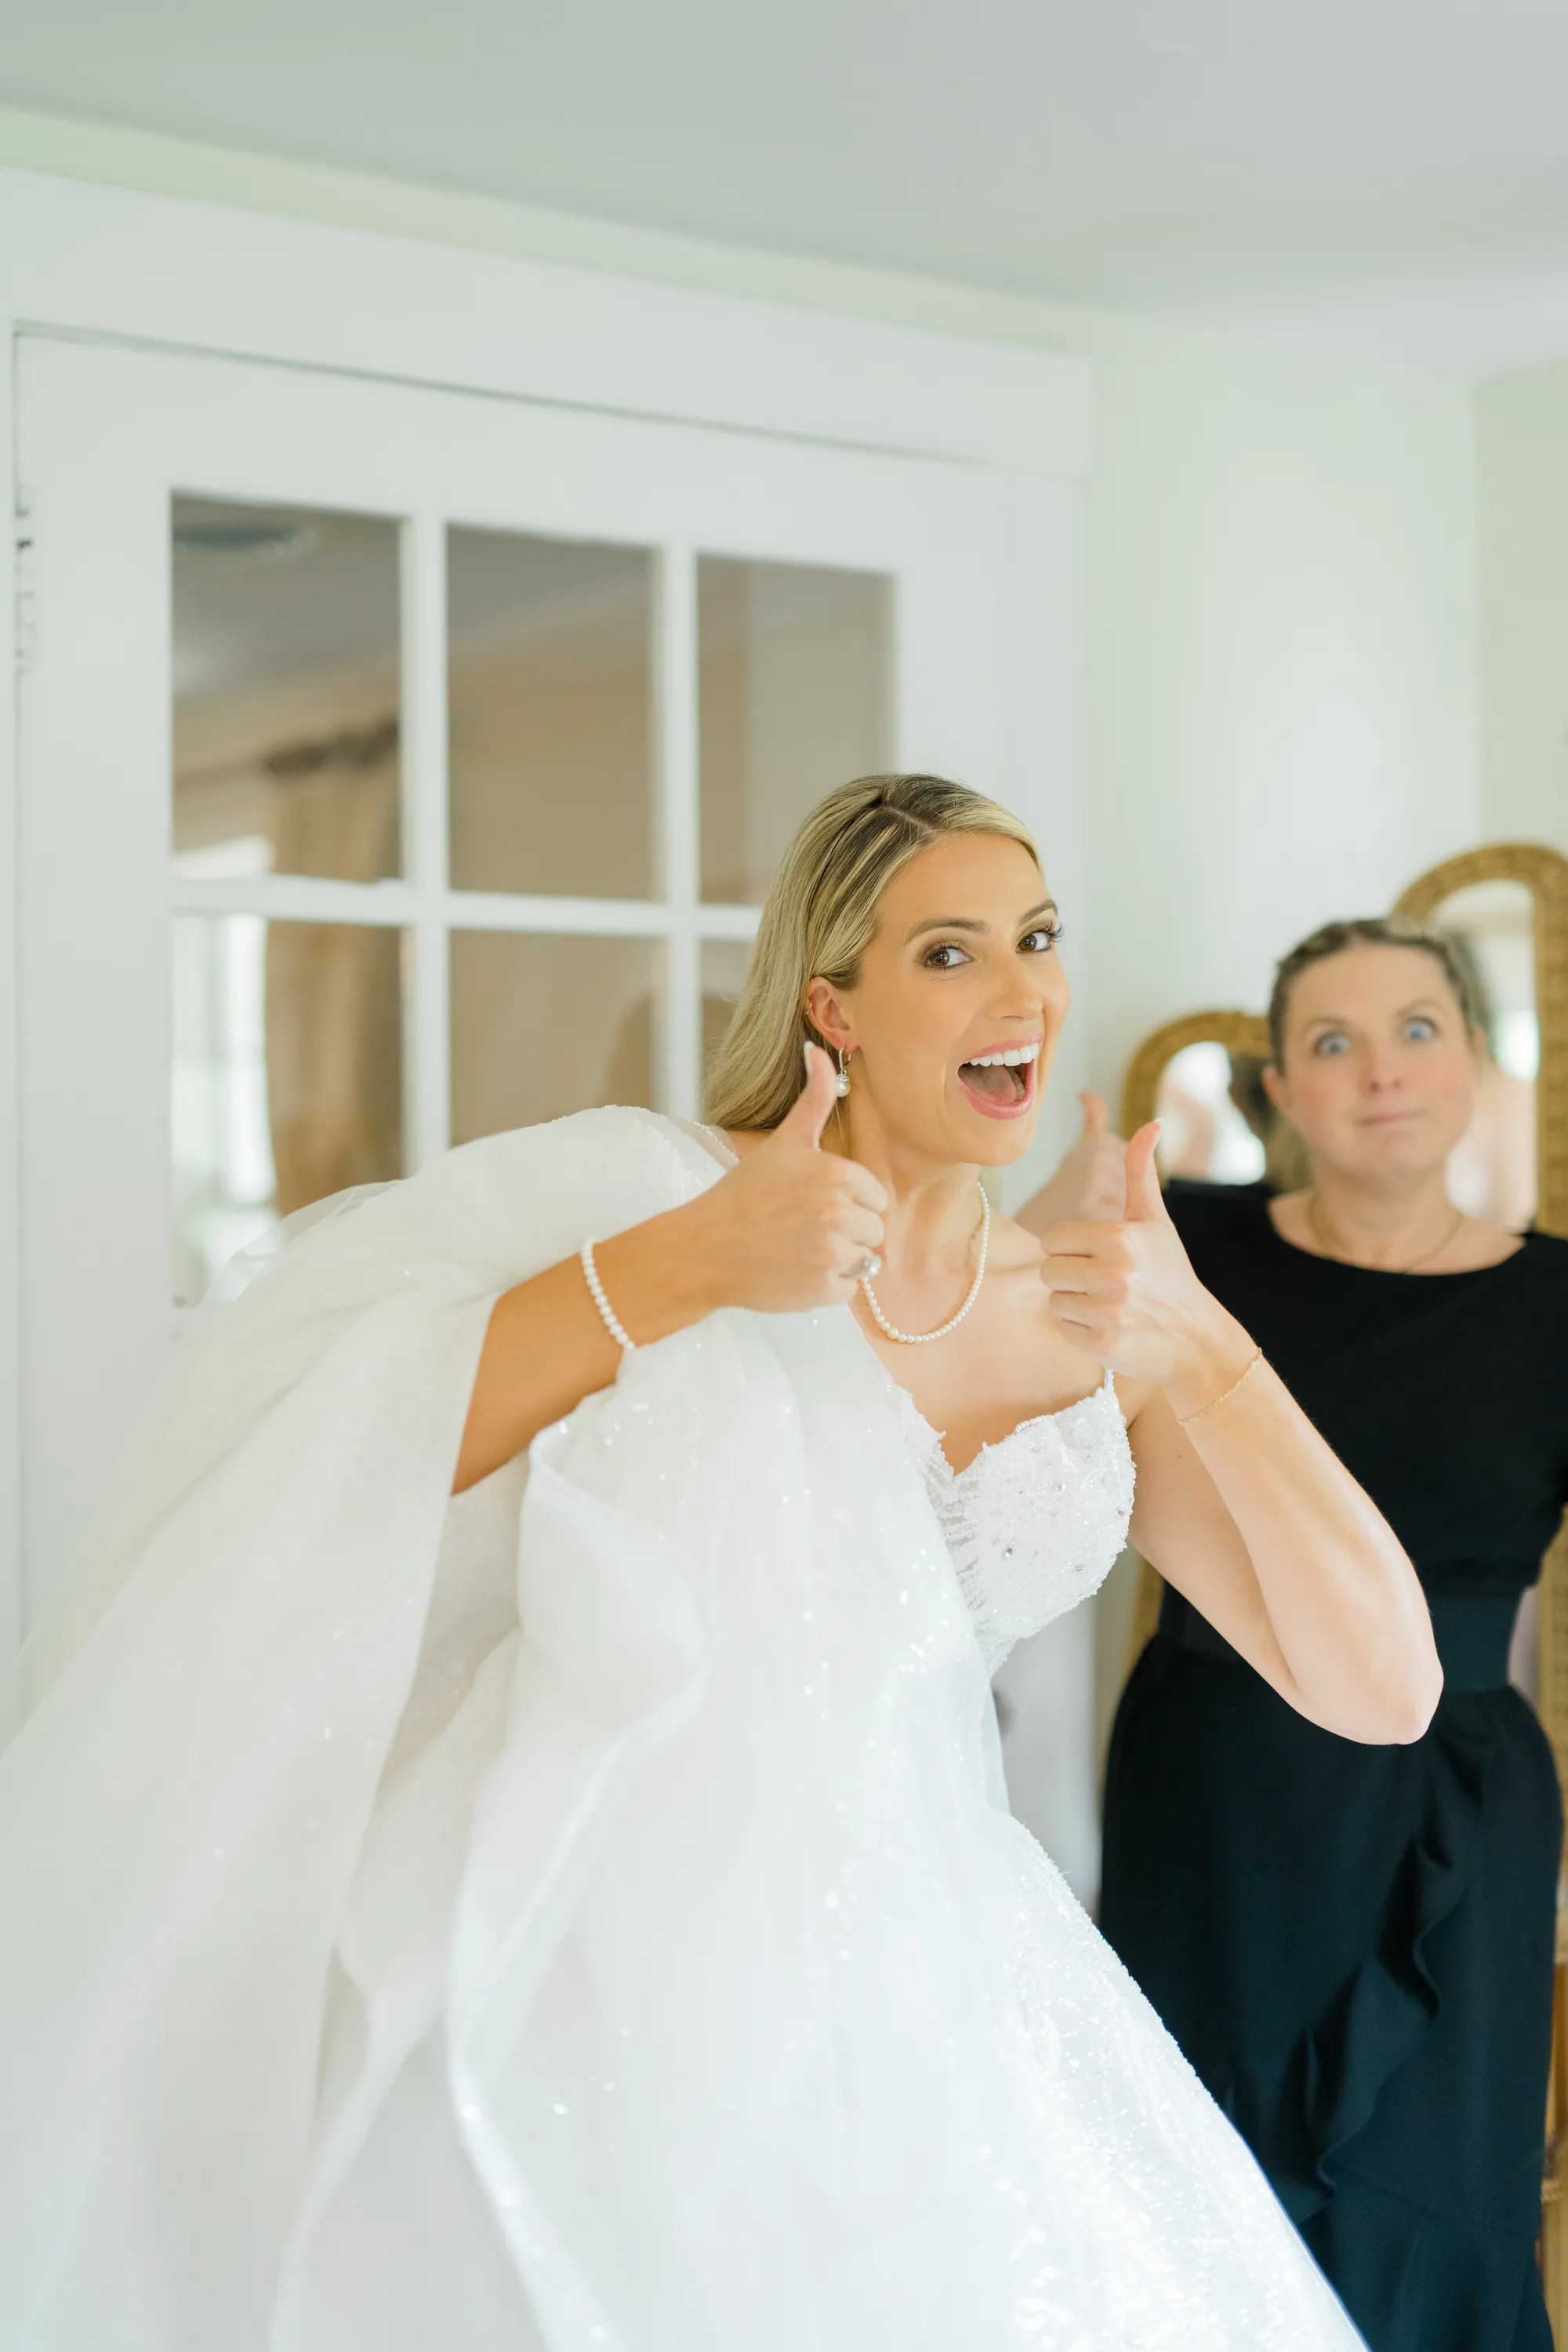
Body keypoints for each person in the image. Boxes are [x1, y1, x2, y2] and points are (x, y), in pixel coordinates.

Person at [0, 779, 1439, 2352]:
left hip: (921, 1963)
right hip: (576, 1951)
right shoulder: (650, 1192)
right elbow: (360, 1439)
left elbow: (1381, 1690)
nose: (1022, 989)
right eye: (950, 954)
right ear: (834, 1006)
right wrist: (687, 1268)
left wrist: (1207, 1345)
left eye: (1034, 938)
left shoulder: (1096, 1318)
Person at [1091, 914, 1568, 2352]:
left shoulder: (1562, 1300)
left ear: (1476, 1065)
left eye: (1419, 1030)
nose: (1381, 1073)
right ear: (1282, 1090)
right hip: (1218, 1788)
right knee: (1189, 2170)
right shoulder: (1188, 1251)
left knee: (1431, 2189)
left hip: (1456, 1804)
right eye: (1333, 1043)